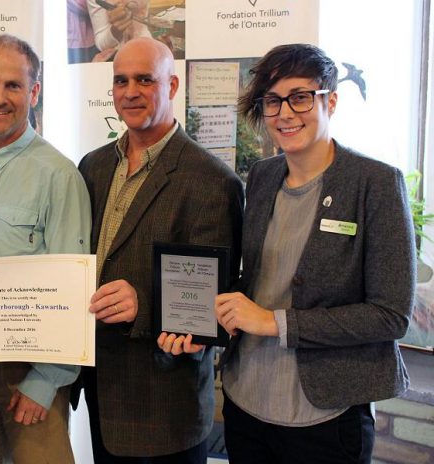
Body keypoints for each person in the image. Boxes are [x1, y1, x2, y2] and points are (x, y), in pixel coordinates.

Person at [161, 44, 415, 464]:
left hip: (326, 415)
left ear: (330, 100)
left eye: (300, 97)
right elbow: (255, 282)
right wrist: (203, 327)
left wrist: (272, 322)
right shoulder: (262, 176)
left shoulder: (376, 183)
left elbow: (391, 314)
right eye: (272, 100)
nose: (284, 113)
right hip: (247, 404)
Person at [77, 37, 243, 462]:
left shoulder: (212, 180)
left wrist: (143, 303)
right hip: (102, 393)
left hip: (164, 406)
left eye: (145, 80)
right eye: (121, 80)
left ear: (171, 86)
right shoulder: (92, 166)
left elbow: (212, 300)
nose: (130, 91)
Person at [0, 34, 91, 463]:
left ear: (34, 92)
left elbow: (76, 289)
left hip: (30, 376)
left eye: (13, 86)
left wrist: (46, 381)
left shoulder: (59, 175)